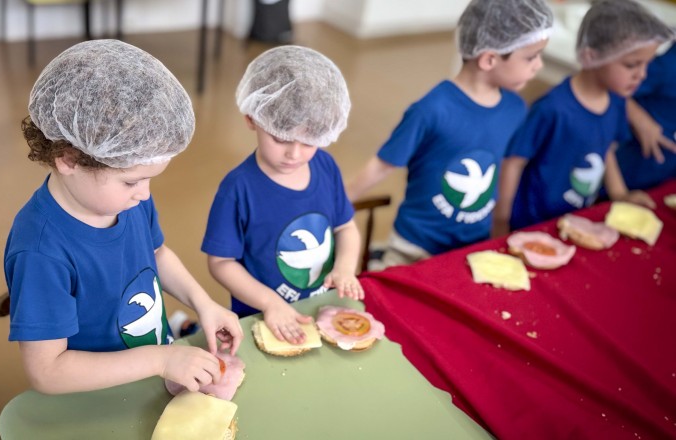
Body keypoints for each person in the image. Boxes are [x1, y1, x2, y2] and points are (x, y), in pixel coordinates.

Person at [4, 40, 243, 395]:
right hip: (98, 396)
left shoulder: (127, 201)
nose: (144, 194)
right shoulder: (41, 251)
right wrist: (161, 360)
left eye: (148, 179)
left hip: (153, 371)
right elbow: (48, 372)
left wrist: (203, 303)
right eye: (132, 181)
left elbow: (157, 254)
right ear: (68, 159)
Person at [345, 0, 553, 268]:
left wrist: (500, 226)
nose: (539, 66)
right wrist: (336, 204)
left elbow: (504, 168)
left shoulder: (516, 109)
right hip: (414, 246)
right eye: (531, 57)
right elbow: (382, 165)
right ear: (489, 59)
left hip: (472, 245)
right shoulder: (430, 110)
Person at [202, 45, 363, 345]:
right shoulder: (238, 189)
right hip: (261, 316)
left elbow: (346, 228)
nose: (295, 154)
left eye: (309, 142)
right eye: (280, 138)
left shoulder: (325, 166)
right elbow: (221, 263)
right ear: (252, 118)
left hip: (319, 307)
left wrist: (344, 268)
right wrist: (270, 303)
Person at [493, 0, 674, 235]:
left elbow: (606, 149)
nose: (642, 75)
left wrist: (620, 194)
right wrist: (501, 220)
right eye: (632, 65)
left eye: (646, 65)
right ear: (591, 56)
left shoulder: (617, 102)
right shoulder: (553, 108)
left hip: (574, 220)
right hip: (533, 222)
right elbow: (514, 162)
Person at [615, 42, 676, 190]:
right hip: (632, 176)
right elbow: (611, 90)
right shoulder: (667, 65)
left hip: (667, 181)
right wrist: (637, 117)